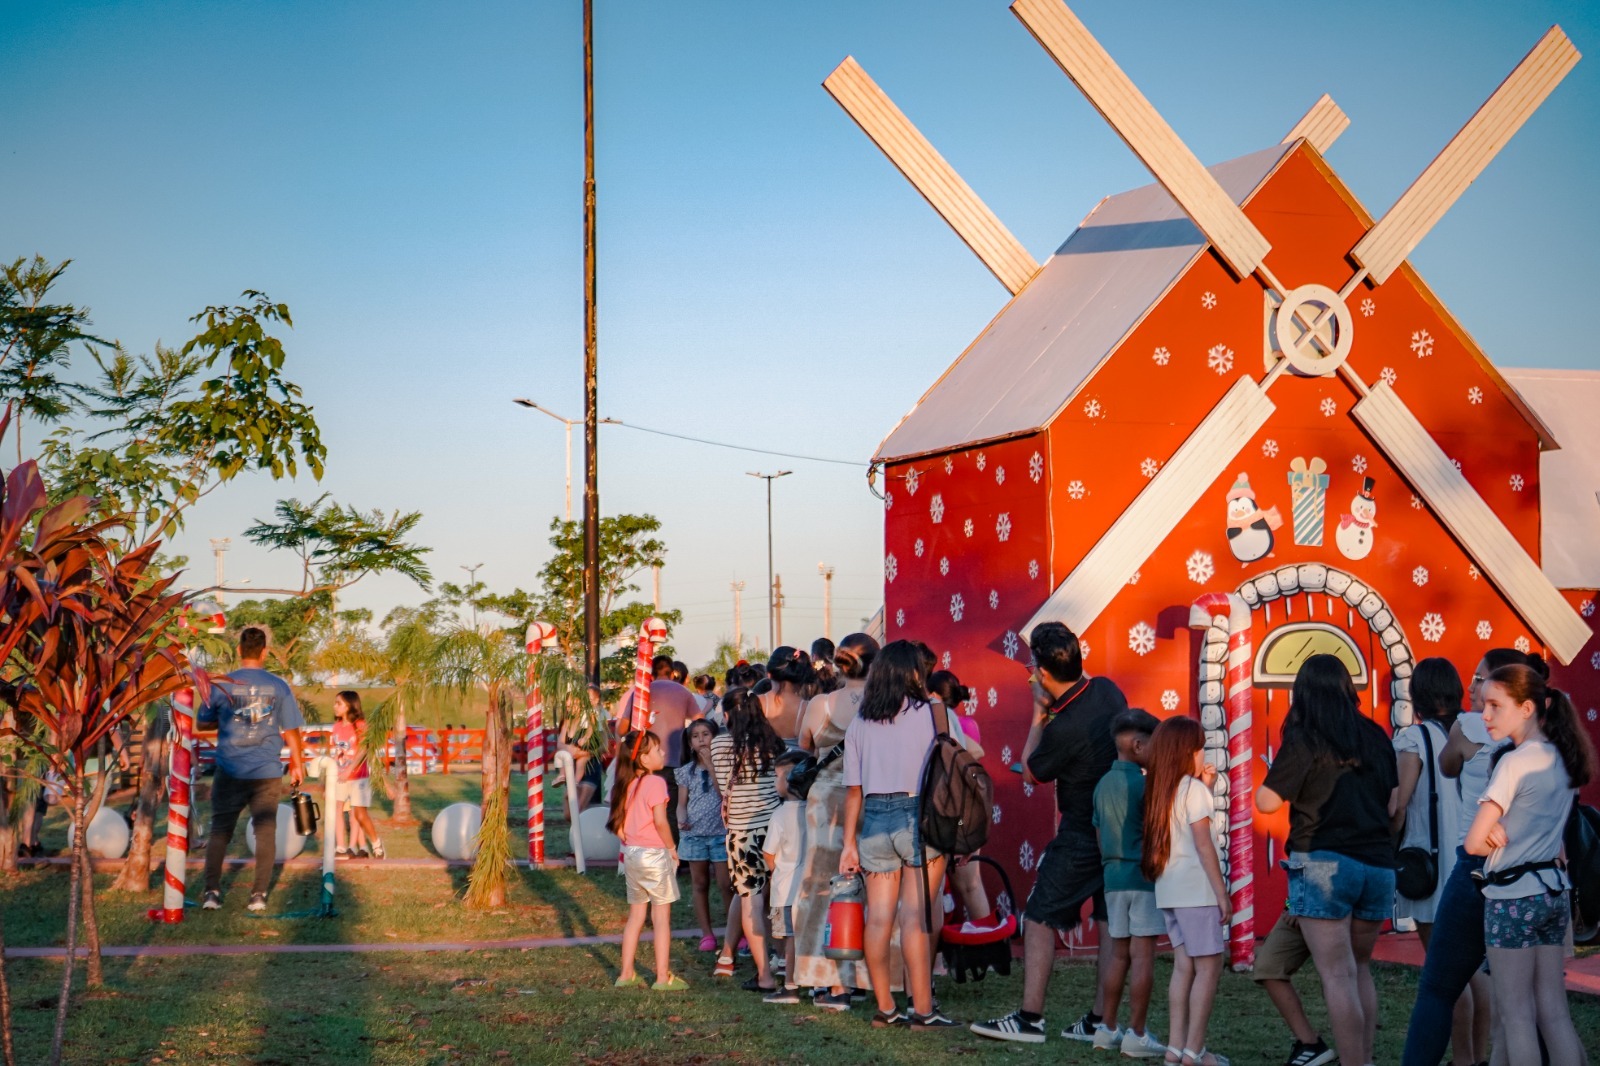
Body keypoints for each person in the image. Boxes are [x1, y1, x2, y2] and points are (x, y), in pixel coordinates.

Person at [971, 622, 1127, 1045]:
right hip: (1123, 827)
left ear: (1041, 673)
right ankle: (1102, 1021)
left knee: (1039, 916)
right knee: (1109, 920)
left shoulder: (1064, 727)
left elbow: (1031, 770)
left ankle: (1030, 1018)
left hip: (1081, 831)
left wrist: (1039, 715)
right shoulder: (1108, 691)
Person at [1401, 647, 1540, 1066]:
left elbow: (1449, 769)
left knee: (1439, 988)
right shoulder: (1553, 744)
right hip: (1536, 877)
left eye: (1480, 680)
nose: (1473, 689)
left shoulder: (1473, 728)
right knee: (1532, 1003)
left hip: (1480, 868)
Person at [1256, 655, 1398, 1066]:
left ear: (1302, 694)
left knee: (1337, 976)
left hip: (1321, 863)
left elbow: (1266, 802)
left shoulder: (1305, 738)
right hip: (1377, 865)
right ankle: (1365, 1059)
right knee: (1360, 968)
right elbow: (1392, 805)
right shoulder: (1376, 735)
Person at [1464, 662, 1595, 1065]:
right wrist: (1497, 830)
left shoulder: (1514, 762)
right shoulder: (1563, 758)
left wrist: (1492, 832)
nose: (1484, 715)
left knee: (1517, 1013)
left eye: (1495, 705)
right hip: (1553, 893)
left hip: (1512, 896)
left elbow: (1472, 844)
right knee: (1553, 1013)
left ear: (1526, 708)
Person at [839, 639, 957, 1030]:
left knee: (879, 920)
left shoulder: (859, 722)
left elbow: (852, 790)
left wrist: (848, 845)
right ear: (913, 673)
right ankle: (923, 1010)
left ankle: (885, 1008)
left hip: (873, 819)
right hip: (919, 819)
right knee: (915, 919)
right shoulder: (932, 713)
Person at [792, 632, 881, 1010]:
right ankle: (868, 977)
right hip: (873, 800)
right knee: (873, 890)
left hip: (827, 802)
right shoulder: (886, 704)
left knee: (822, 886)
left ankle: (829, 981)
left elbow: (805, 745)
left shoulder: (821, 704)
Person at [196, 626, 306, 912]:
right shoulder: (279, 686)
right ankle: (258, 895)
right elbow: (292, 730)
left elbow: (201, 723)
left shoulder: (221, 683)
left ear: (239, 651)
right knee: (265, 833)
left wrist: (229, 720)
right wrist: (298, 765)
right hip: (267, 771)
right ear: (265, 652)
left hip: (229, 768)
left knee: (220, 831)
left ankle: (211, 892)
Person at [1389, 659, 1469, 1053]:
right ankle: (1474, 1056)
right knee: (1475, 972)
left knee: (1444, 975)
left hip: (1431, 870)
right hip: (1471, 865)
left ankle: (1462, 1058)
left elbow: (1400, 803)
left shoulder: (1413, 739)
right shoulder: (1474, 733)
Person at [1144, 716, 1230, 1066]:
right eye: (1199, 749)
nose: (1202, 755)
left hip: (1170, 892)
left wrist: (1205, 786)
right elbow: (1203, 845)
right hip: (1198, 892)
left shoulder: (1162, 788)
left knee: (1184, 967)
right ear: (1186, 752)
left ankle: (1176, 1048)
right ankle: (1195, 1050)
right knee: (1209, 968)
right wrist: (1221, 892)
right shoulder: (1193, 791)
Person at [1092, 708, 1167, 1058]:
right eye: (1154, 745)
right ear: (1138, 745)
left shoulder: (1102, 784)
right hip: (1142, 880)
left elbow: (1098, 835)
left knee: (1118, 955)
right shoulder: (1145, 785)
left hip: (1112, 880)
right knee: (1143, 957)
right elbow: (1158, 832)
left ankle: (1106, 1028)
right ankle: (1137, 1033)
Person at [711, 685, 785, 993]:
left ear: (727, 714)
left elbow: (722, 788)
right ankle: (787, 963)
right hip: (776, 827)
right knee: (780, 896)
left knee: (750, 899)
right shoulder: (773, 742)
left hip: (741, 831)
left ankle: (764, 975)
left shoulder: (719, 745)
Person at [609, 730, 686, 992]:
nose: (663, 752)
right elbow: (661, 821)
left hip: (633, 854)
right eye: (657, 749)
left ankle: (626, 973)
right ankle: (662, 977)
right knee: (662, 918)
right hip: (654, 854)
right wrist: (672, 848)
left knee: (636, 916)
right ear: (642, 758)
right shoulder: (655, 783)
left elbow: (619, 826)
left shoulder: (627, 785)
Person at [929, 670, 996, 931]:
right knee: (970, 884)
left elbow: (972, 752)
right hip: (968, 805)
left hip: (951, 807)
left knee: (937, 887)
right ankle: (989, 943)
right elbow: (976, 752)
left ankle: (936, 961)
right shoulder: (963, 722)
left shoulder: (941, 719)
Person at [615, 654, 703, 837]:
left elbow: (622, 728)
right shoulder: (683, 692)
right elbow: (700, 722)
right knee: (671, 809)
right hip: (675, 760)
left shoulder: (641, 693)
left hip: (644, 760)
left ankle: (645, 843)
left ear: (651, 673)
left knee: (643, 806)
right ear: (672, 673)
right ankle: (673, 854)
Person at [676, 718, 736, 959]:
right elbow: (682, 804)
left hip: (720, 835)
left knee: (726, 885)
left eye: (706, 734)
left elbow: (724, 794)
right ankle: (707, 934)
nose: (701, 739)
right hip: (694, 836)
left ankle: (735, 934)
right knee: (699, 884)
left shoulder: (724, 767)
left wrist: (712, 766)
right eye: (695, 736)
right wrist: (681, 820)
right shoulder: (685, 771)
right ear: (690, 743)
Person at [1249, 909, 1335, 1066]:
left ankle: (1358, 1057)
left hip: (1333, 905)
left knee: (1341, 977)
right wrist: (1293, 904)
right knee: (1269, 966)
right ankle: (1310, 1045)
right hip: (1299, 906)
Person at [761, 749, 811, 1005]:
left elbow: (768, 853)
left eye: (778, 776)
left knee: (789, 939)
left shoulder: (780, 814)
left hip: (785, 888)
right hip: (810, 888)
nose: (775, 781)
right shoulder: (815, 811)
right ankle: (813, 982)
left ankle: (790, 985)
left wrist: (774, 870)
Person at [331, 691, 384, 860]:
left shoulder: (360, 725)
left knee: (359, 814)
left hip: (358, 777)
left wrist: (350, 769)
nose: (335, 706)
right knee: (337, 809)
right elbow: (336, 751)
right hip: (340, 776)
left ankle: (376, 844)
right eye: (335, 703)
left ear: (349, 706)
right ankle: (341, 847)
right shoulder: (337, 727)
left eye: (339, 703)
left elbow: (363, 749)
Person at [757, 647, 814, 748]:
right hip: (797, 762)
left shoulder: (756, 702)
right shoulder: (807, 707)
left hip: (762, 762)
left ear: (769, 674)